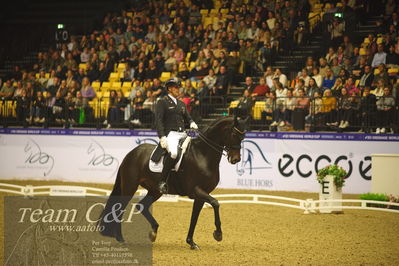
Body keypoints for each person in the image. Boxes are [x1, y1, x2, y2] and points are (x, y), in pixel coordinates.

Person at [155, 78, 198, 193]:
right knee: (173, 153)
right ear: (169, 89)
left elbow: (188, 118)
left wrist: (192, 123)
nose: (178, 89)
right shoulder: (162, 102)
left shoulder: (181, 104)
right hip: (171, 134)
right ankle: (162, 182)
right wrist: (162, 136)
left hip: (182, 133)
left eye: (178, 87)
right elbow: (158, 121)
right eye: (175, 87)